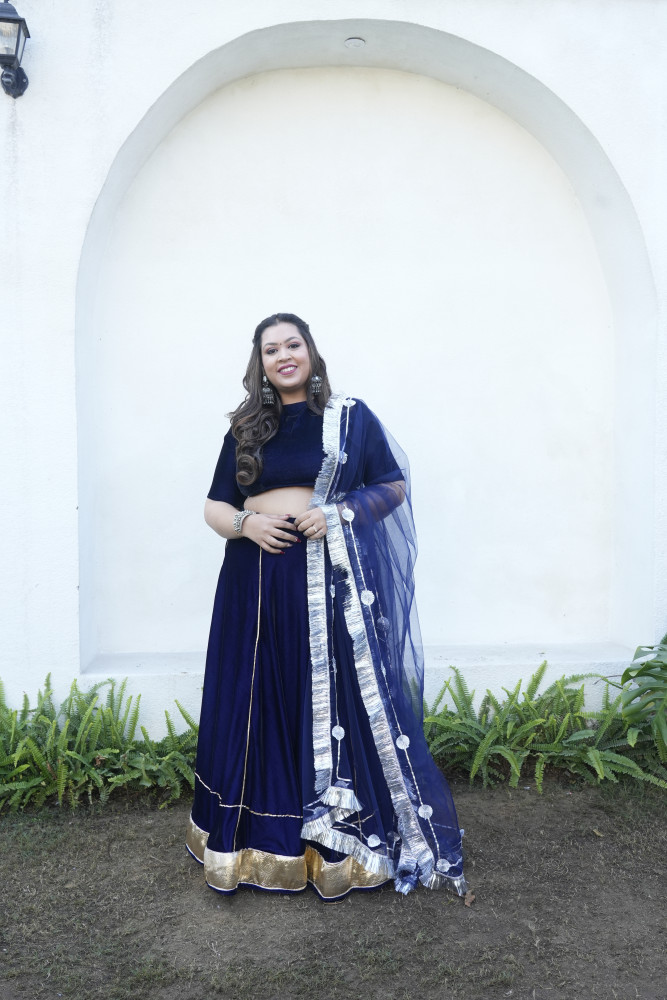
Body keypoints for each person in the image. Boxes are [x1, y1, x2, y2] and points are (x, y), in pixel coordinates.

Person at [186, 313, 468, 900]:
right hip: (255, 579)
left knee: (324, 702)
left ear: (310, 351)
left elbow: (393, 486)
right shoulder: (247, 428)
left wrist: (337, 513)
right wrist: (247, 522)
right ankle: (253, 844)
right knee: (257, 699)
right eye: (271, 349)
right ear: (259, 363)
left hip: (325, 582)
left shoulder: (349, 419)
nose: (283, 356)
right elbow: (214, 505)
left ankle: (335, 848)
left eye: (293, 344)